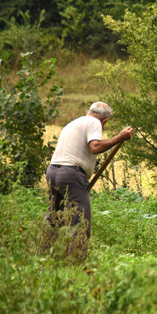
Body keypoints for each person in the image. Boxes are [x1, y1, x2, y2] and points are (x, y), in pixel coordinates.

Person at [42, 101, 133, 257]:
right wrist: (120, 137)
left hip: (53, 171)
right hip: (70, 174)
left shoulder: (73, 123)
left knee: (55, 216)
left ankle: (43, 255)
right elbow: (95, 147)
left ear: (88, 111)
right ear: (105, 121)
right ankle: (76, 260)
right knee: (81, 219)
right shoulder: (94, 122)